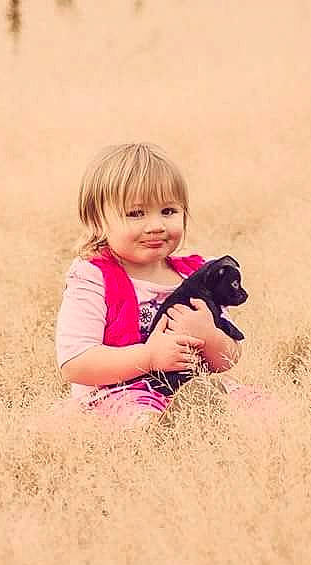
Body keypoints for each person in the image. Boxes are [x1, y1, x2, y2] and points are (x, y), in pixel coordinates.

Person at [55, 142, 266, 426]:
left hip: (191, 389)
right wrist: (149, 357)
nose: (156, 225)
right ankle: (163, 432)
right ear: (97, 220)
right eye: (136, 213)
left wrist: (209, 335)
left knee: (256, 405)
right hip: (117, 392)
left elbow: (228, 359)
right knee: (138, 418)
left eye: (168, 211)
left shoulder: (197, 276)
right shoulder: (93, 276)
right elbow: (75, 364)